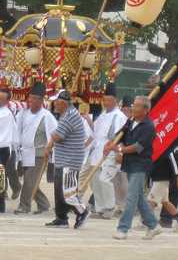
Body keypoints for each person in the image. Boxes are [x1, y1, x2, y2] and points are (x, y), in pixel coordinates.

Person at [111, 95, 160, 240]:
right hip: (129, 164)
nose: (133, 107)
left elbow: (138, 147)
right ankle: (153, 225)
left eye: (137, 106)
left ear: (145, 110)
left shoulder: (149, 127)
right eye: (134, 104)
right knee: (138, 198)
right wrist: (115, 145)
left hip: (140, 165)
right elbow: (120, 136)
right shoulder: (130, 121)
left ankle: (123, 228)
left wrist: (119, 150)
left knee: (131, 197)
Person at [45, 90, 89, 229]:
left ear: (62, 103)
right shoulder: (66, 114)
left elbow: (58, 136)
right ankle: (61, 218)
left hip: (70, 160)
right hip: (64, 158)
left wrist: (49, 143)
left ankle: (82, 211)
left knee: (67, 191)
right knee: (59, 190)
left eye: (56, 102)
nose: (54, 104)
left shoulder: (69, 115)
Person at [15, 82, 56, 215]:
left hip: (39, 153)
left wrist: (49, 149)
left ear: (40, 100)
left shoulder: (47, 116)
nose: (30, 101)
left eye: (33, 98)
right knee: (31, 180)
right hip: (25, 152)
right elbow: (18, 131)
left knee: (29, 180)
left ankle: (24, 206)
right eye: (30, 98)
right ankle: (44, 204)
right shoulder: (23, 114)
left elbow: (54, 134)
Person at [88, 83, 127, 219]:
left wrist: (119, 154)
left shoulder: (119, 116)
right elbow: (95, 132)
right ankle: (100, 208)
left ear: (115, 101)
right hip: (97, 151)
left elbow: (120, 136)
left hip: (111, 152)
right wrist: (88, 120)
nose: (106, 103)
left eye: (109, 100)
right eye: (104, 100)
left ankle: (110, 207)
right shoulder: (103, 114)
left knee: (104, 179)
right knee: (94, 181)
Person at [148, 152, 178, 230]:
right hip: (156, 177)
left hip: (162, 178)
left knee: (151, 201)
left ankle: (146, 223)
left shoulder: (165, 146)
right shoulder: (152, 144)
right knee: (165, 202)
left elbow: (174, 162)